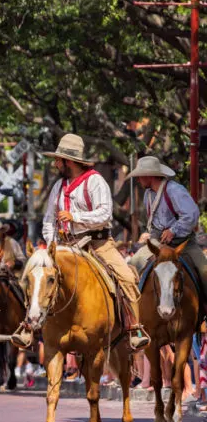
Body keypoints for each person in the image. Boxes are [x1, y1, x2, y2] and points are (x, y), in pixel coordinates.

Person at [18, 133, 148, 351]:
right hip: (65, 247)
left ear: (69, 162)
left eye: (58, 160)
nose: (55, 163)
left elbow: (105, 214)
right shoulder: (58, 186)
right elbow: (49, 219)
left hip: (99, 244)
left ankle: (134, 328)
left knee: (126, 277)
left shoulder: (95, 181)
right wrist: (51, 245)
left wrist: (75, 218)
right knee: (37, 276)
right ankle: (28, 326)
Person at [126, 155, 207, 296]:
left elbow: (192, 214)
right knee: (132, 264)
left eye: (140, 176)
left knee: (204, 272)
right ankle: (132, 308)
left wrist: (173, 230)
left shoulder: (174, 190)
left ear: (149, 175)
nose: (138, 180)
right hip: (158, 244)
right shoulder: (148, 195)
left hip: (183, 244)